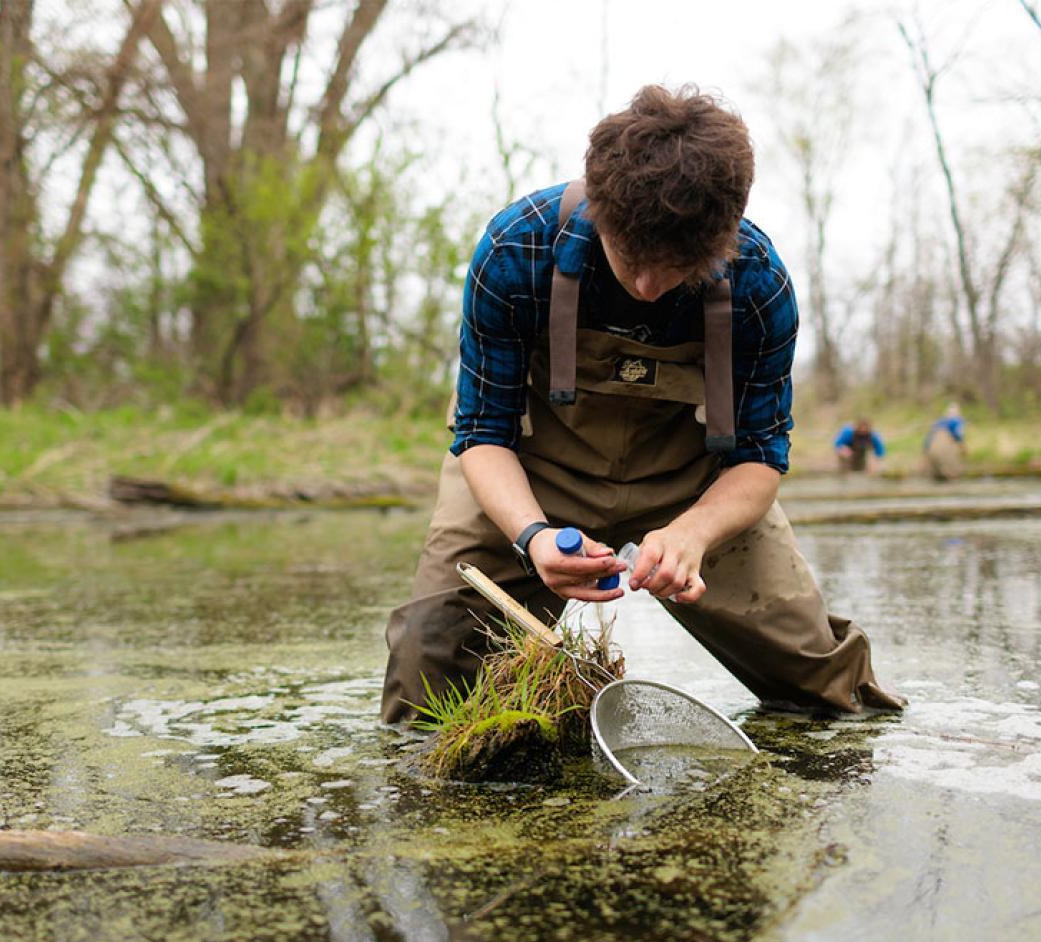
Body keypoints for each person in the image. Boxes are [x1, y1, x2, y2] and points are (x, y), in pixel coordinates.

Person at [380, 85, 904, 723]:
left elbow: (762, 459)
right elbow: (482, 434)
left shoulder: (760, 286)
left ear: (724, 234)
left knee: (826, 689)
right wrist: (533, 536)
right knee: (428, 674)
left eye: (680, 264)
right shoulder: (516, 250)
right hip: (527, 473)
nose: (651, 288)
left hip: (693, 486)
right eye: (632, 259)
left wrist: (692, 534)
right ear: (602, 210)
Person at [924, 402, 966, 481]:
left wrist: (925, 452)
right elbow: (959, 436)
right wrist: (963, 448)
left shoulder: (940, 421)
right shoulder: (958, 421)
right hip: (945, 449)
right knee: (952, 473)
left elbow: (928, 438)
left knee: (935, 476)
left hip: (932, 450)